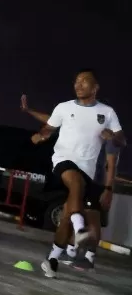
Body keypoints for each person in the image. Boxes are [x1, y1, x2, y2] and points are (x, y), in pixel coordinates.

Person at [33, 70, 126, 278]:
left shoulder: (107, 112)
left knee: (66, 214)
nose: (78, 85)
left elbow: (122, 141)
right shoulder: (63, 107)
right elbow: (49, 127)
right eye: (76, 81)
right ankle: (80, 230)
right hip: (62, 160)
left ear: (95, 88)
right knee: (75, 182)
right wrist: (41, 135)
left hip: (88, 169)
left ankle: (52, 259)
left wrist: (112, 137)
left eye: (84, 82)